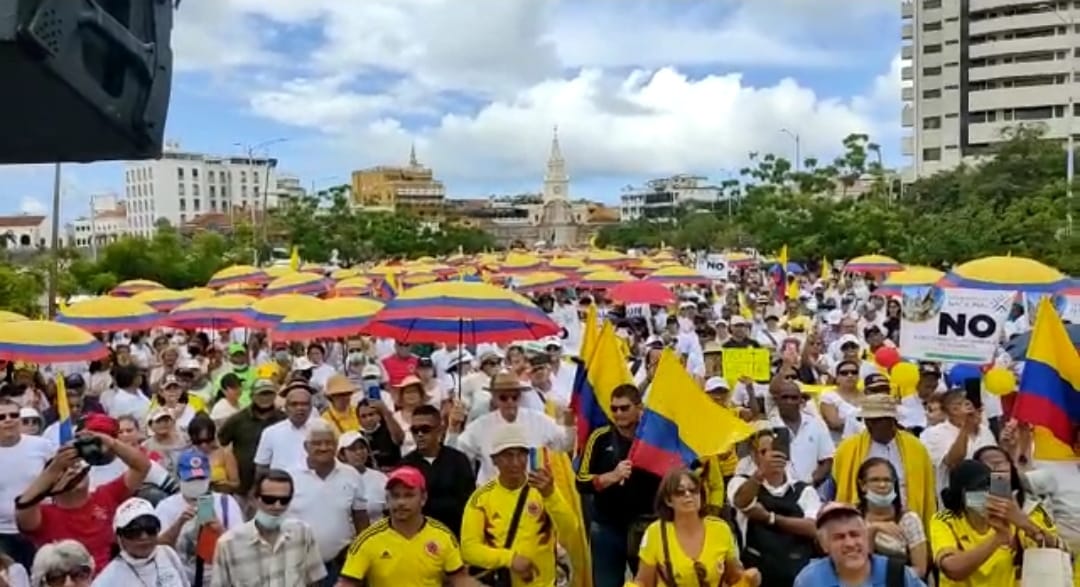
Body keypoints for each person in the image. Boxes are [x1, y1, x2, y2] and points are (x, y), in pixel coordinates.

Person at [460, 423, 579, 587]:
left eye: (521, 455)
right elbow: (469, 549)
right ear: (494, 460)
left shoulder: (543, 489)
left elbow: (570, 529)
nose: (515, 462)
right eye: (508, 456)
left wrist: (550, 496)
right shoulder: (481, 498)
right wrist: (510, 559)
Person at [16, 432, 150, 573]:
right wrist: (54, 468)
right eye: (66, 470)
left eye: (78, 466)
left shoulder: (105, 495)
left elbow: (142, 466)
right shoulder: (43, 514)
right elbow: (24, 506)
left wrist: (111, 443)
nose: (74, 471)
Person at [576, 384, 660, 587]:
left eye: (624, 408)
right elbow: (581, 481)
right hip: (607, 527)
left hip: (646, 527)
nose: (618, 413)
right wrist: (611, 476)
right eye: (614, 408)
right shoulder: (600, 437)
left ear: (639, 408)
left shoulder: (655, 437)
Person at [335, 467, 476, 587]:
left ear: (423, 498)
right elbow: (347, 583)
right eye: (395, 496)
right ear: (387, 500)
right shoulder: (367, 540)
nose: (401, 502)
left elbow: (460, 579)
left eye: (409, 495)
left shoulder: (443, 536)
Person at [931, 459, 1058, 586]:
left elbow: (1057, 553)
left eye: (990, 486)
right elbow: (953, 570)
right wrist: (998, 539)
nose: (987, 493)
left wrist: (1025, 524)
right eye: (979, 488)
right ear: (962, 495)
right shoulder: (945, 520)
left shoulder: (1014, 515)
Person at [634, 467, 759, 587]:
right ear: (668, 500)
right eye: (680, 492)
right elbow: (643, 582)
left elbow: (734, 577)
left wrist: (748, 578)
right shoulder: (655, 532)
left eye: (694, 490)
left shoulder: (720, 529)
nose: (688, 495)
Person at [728, 426, 819, 587]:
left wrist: (770, 518)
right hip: (757, 576)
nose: (770, 456)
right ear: (754, 456)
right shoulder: (741, 482)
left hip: (798, 576)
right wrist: (760, 474)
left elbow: (814, 527)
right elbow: (741, 502)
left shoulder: (804, 490)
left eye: (776, 450)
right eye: (764, 452)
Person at [833, 394, 937, 527]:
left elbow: (927, 491)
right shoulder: (848, 448)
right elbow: (838, 484)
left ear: (892, 421)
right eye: (867, 420)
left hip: (907, 520)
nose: (869, 425)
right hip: (862, 523)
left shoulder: (916, 448)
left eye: (876, 420)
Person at [286, 420, 369, 586]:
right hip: (300, 567)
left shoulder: (351, 474)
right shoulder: (290, 476)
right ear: (305, 447)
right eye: (317, 443)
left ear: (336, 445)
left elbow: (361, 517)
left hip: (341, 566)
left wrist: (361, 554)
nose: (323, 448)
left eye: (329, 443)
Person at [211, 469, 326, 586]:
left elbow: (314, 580)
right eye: (269, 500)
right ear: (254, 499)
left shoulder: (303, 533)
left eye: (284, 500)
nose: (277, 506)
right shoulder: (228, 544)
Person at [155, 448, 244, 582]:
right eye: (191, 479)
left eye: (200, 478)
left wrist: (219, 529)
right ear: (179, 477)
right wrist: (178, 524)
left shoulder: (226, 503)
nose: (196, 483)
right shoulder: (166, 506)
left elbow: (241, 547)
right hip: (180, 579)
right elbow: (156, 548)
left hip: (219, 579)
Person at [793, 502, 925, 587]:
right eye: (839, 537)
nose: (850, 543)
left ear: (866, 538)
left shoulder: (897, 574)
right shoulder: (810, 580)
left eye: (855, 534)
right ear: (824, 546)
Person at [399, 404, 475, 537]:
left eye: (425, 429)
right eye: (415, 430)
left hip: (456, 535)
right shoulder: (406, 465)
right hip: (419, 537)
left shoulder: (458, 460)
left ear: (439, 430)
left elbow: (469, 502)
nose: (420, 434)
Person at [0, 398, 54, 569]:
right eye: (2, 416)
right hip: (2, 533)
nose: (8, 419)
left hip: (40, 528)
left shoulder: (42, 446)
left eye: (14, 415)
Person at [855, 457, 929, 579]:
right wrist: (873, 530)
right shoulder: (853, 518)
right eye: (875, 480)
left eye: (887, 480)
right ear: (862, 485)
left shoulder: (908, 519)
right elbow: (859, 566)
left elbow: (920, 570)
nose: (882, 485)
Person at [919, 388, 996, 499]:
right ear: (954, 409)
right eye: (968, 403)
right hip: (957, 502)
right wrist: (966, 428)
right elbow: (953, 462)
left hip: (991, 498)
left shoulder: (985, 431)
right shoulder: (933, 434)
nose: (977, 406)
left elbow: (998, 465)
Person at [92, 497, 187, 586]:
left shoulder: (167, 553)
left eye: (150, 528)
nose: (144, 537)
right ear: (120, 537)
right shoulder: (107, 580)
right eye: (134, 531)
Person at [217, 379, 285, 498]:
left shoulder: (284, 420)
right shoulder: (237, 420)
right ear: (252, 396)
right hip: (243, 489)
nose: (265, 398)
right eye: (261, 394)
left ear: (275, 395)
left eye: (269, 393)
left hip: (277, 489)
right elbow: (219, 444)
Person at [255, 383, 318, 476]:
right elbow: (261, 468)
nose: (300, 408)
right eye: (294, 404)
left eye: (304, 404)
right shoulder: (271, 432)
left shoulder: (321, 430)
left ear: (311, 407)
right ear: (286, 408)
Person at [336, 432, 387, 522]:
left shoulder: (380, 478)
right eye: (352, 449)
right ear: (342, 455)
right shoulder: (336, 480)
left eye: (362, 447)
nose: (359, 452)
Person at [187, 414, 239, 495]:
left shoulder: (225, 454)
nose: (204, 445)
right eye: (199, 441)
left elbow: (236, 483)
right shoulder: (187, 456)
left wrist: (224, 484)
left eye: (208, 440)